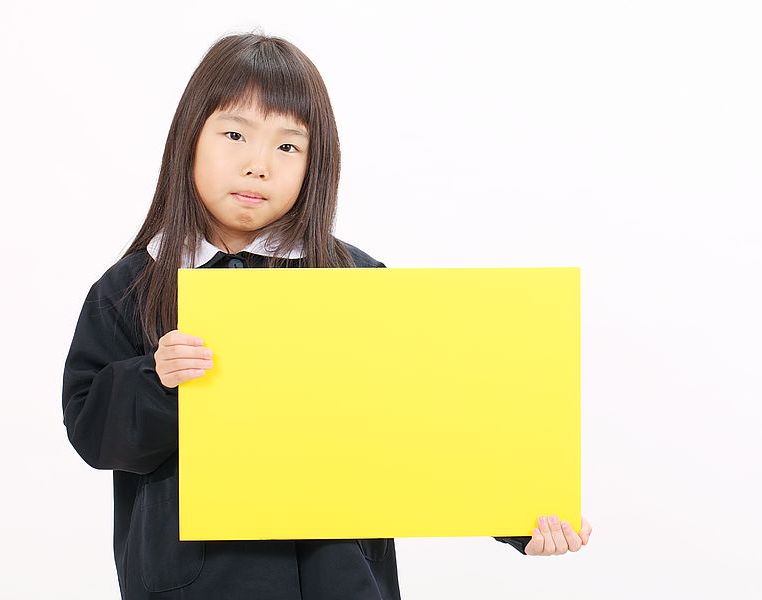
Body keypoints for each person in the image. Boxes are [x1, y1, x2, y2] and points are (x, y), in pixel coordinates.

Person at [61, 31, 591, 600]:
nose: (257, 165)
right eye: (235, 135)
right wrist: (158, 381)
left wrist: (521, 516)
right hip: (197, 584)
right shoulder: (131, 288)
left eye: (288, 147)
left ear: (316, 164)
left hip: (340, 579)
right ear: (189, 138)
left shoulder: (356, 283)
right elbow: (93, 434)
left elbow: (426, 422)